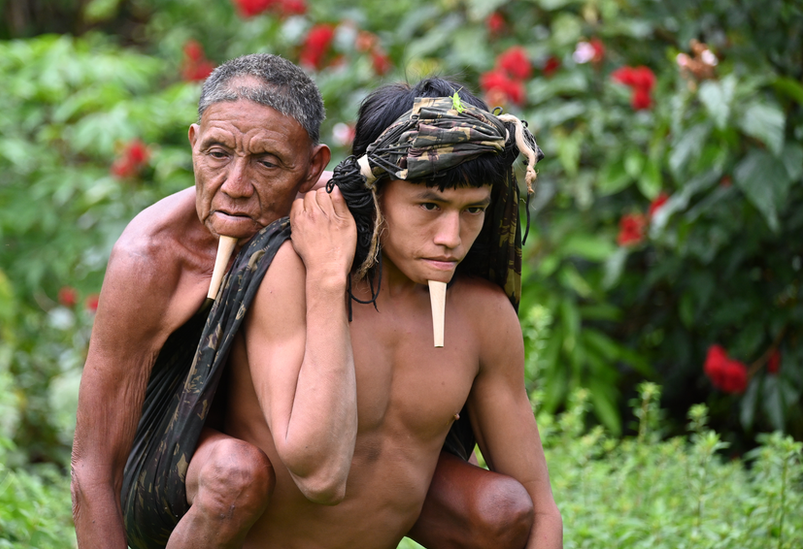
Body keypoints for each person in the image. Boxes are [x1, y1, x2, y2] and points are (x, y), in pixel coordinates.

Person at [71, 51, 539, 549]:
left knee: (492, 505)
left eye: (268, 162)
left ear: (314, 167)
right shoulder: (153, 255)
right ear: (193, 143)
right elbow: (93, 466)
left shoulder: (341, 212)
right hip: (192, 475)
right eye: (216, 153)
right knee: (235, 474)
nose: (235, 187)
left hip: (317, 478)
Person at [214, 78, 563, 548]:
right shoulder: (289, 275)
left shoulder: (483, 316)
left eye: (473, 210)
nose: (450, 236)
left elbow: (540, 507)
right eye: (430, 205)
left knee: (504, 506)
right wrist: (327, 279)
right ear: (372, 193)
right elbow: (319, 476)